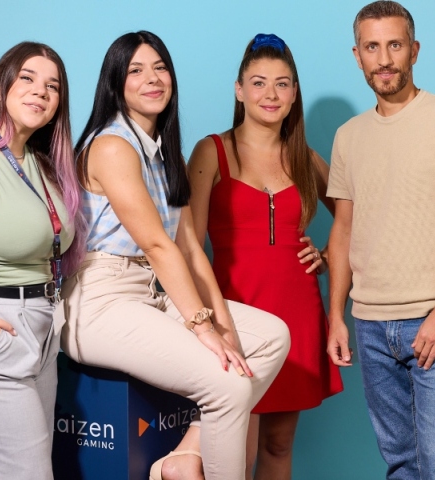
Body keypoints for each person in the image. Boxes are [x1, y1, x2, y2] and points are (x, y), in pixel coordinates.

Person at [60, 30, 290, 480]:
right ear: (115, 84)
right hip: (100, 301)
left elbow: (189, 249)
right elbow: (157, 244)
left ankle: (183, 456)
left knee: (272, 337)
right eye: (136, 70)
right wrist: (202, 326)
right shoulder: (111, 146)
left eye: (160, 68)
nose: (152, 78)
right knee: (226, 383)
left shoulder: (167, 154)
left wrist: (224, 327)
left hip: (152, 291)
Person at [188, 34, 343, 480]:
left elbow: (354, 222)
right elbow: (188, 245)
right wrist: (205, 319)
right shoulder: (211, 150)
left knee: (278, 444)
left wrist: (327, 254)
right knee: (236, 450)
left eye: (282, 83)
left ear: (294, 94)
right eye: (258, 83)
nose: (270, 94)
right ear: (239, 90)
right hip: (234, 313)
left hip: (298, 314)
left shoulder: (305, 158)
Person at [0, 42, 83, 479]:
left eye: (53, 86)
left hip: (41, 333)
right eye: (27, 78)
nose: (40, 91)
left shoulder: (43, 166)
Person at [326, 1, 435, 478]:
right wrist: (336, 315)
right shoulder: (348, 136)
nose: (384, 59)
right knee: (400, 464)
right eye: (372, 47)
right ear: (357, 56)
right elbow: (343, 228)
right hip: (369, 325)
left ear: (414, 50)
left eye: (395, 45)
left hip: (429, 317)